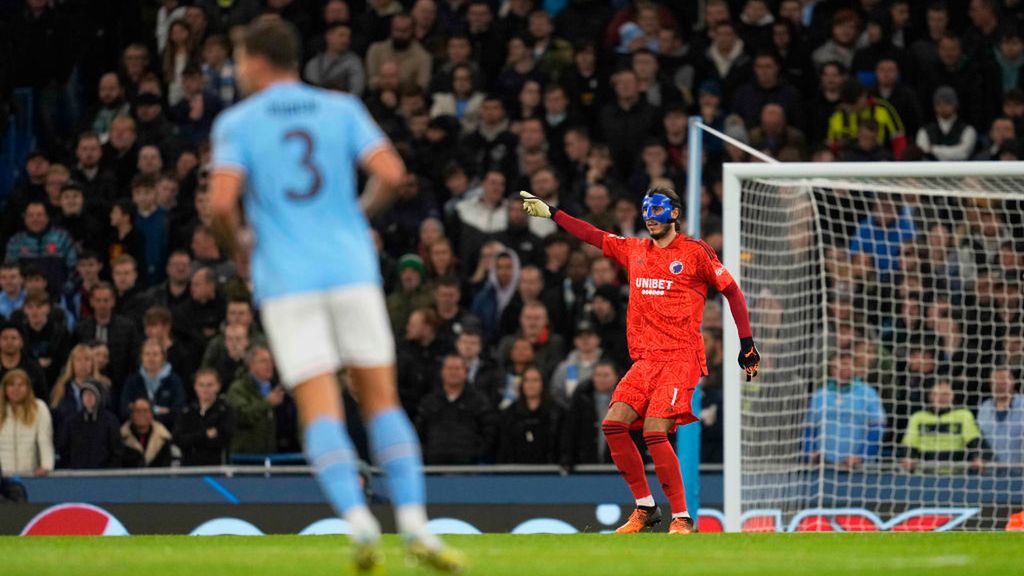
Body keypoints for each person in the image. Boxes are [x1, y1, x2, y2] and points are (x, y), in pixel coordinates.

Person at [207, 20, 460, 571]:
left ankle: (358, 520)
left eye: (239, 59)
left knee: (319, 408)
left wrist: (239, 249)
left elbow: (221, 203)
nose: (237, 69)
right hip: (350, 269)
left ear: (256, 60)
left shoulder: (238, 122)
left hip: (286, 279)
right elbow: (392, 172)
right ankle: (414, 522)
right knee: (381, 401)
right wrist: (356, 216)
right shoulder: (341, 108)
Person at [521, 186, 759, 534]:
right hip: (646, 360)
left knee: (654, 431)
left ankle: (682, 517)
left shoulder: (694, 252)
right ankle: (646, 507)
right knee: (613, 425)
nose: (650, 216)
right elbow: (593, 235)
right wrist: (553, 213)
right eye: (646, 210)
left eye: (658, 209)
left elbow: (732, 292)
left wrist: (747, 344)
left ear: (674, 213)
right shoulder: (635, 250)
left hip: (680, 357)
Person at [803, 353, 886, 469]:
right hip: (822, 466)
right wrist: (810, 451)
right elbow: (809, 428)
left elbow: (877, 428)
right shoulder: (820, 395)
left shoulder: (868, 393)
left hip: (858, 468)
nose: (840, 370)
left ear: (855, 368)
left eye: (845, 365)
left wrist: (861, 456)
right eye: (835, 367)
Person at [416, 354, 497, 464]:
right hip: (434, 466)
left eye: (457, 369)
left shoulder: (479, 401)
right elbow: (419, 432)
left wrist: (476, 454)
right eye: (449, 368)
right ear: (442, 372)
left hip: (469, 467)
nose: (453, 372)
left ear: (466, 372)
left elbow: (489, 432)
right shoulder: (429, 401)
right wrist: (427, 453)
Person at [901, 380, 988, 475]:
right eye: (936, 394)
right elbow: (910, 443)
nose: (941, 398)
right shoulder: (918, 417)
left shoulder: (964, 415)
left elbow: (973, 439)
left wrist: (978, 457)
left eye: (945, 394)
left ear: (952, 396)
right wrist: (908, 457)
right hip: (924, 474)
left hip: (956, 474)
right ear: (930, 396)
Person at [497, 365, 562, 464]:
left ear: (543, 384)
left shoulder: (557, 412)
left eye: (535, 380)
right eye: (526, 380)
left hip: (548, 468)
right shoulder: (509, 413)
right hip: (516, 469)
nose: (531, 385)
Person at [561, 360, 619, 469]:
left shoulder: (626, 401)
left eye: (606, 375)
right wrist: (567, 458)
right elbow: (570, 430)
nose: (602, 379)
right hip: (585, 465)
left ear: (616, 377)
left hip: (618, 467)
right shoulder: (581, 399)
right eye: (598, 375)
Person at [120, 339, 186, 430]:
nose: (151, 358)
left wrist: (140, 411)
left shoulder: (174, 381)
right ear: (141, 357)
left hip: (167, 431)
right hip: (136, 432)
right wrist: (158, 410)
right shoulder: (132, 381)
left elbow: (177, 412)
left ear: (163, 357)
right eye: (147, 354)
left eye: (155, 354)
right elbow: (124, 410)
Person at [175, 369, 236, 466]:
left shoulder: (225, 411)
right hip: (188, 468)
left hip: (216, 468)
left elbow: (223, 438)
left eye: (209, 385)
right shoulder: (186, 411)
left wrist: (193, 437)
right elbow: (178, 439)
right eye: (201, 385)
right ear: (195, 387)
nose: (205, 389)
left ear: (218, 386)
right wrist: (205, 435)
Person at [0, 369, 54, 476]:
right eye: (11, 385)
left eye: (21, 385)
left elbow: (45, 440)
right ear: (5, 388)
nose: (16, 389)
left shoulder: (39, 408)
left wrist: (46, 466)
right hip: (3, 476)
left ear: (28, 388)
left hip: (31, 474)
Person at [57, 380, 120, 469]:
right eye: (85, 394)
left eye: (92, 394)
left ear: (99, 397)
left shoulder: (110, 421)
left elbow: (116, 451)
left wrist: (109, 471)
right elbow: (64, 449)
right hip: (77, 474)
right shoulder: (71, 422)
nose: (88, 397)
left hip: (104, 474)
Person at [977, 369, 1024, 471]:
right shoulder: (984, 408)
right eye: (995, 382)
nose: (999, 386)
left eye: (1003, 382)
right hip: (989, 474)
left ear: (1013, 381)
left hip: (1019, 473)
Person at [121, 397, 173, 468]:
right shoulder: (121, 438)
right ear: (131, 415)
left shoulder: (164, 438)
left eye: (145, 411)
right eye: (137, 411)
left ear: (151, 415)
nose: (141, 414)